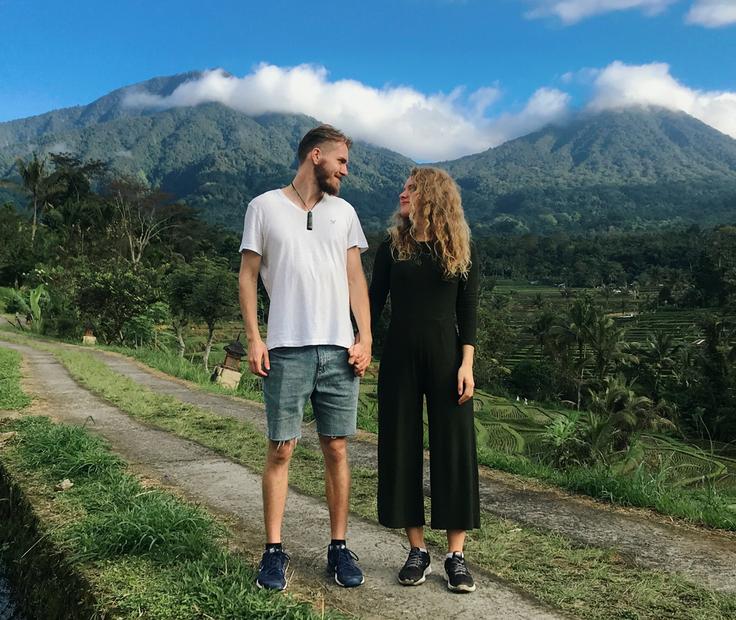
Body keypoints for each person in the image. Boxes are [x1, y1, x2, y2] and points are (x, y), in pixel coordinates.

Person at [239, 124, 372, 591]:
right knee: (281, 448)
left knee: (336, 448)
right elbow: (247, 276)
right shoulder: (263, 207)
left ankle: (338, 548)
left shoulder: (345, 213)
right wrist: (255, 337)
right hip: (287, 349)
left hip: (338, 350)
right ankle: (273, 550)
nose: (345, 171)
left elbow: (356, 279)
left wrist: (366, 336)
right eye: (341, 162)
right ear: (316, 156)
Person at [369, 166, 480, 593]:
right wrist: (359, 344)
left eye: (412, 188)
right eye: (404, 186)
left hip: (448, 359)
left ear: (432, 195)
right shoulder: (391, 247)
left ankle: (456, 555)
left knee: (454, 450)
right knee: (400, 447)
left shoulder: (459, 247)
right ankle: (417, 550)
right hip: (399, 358)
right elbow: (374, 305)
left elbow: (468, 311)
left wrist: (467, 364)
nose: (403, 192)